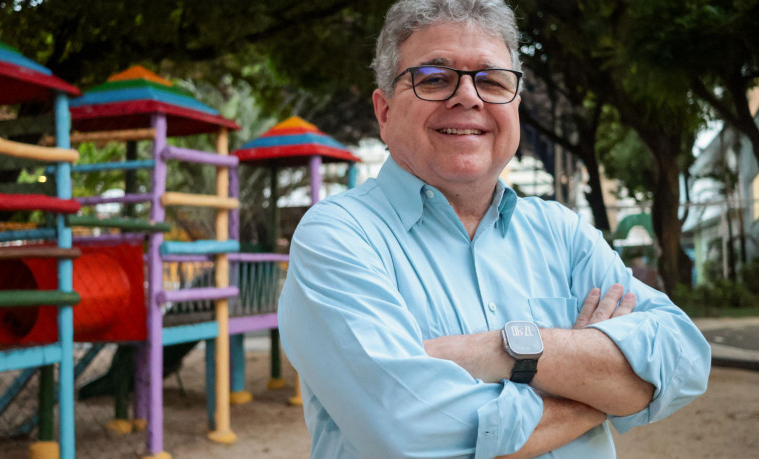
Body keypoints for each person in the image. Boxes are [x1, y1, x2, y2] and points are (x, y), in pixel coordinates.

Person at [278, 0, 711, 457]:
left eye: (491, 80)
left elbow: (684, 360)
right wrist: (601, 389)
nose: (468, 96)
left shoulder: (563, 233)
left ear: (515, 105)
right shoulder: (338, 237)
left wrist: (500, 350)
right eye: (434, 78)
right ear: (384, 112)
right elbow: (411, 433)